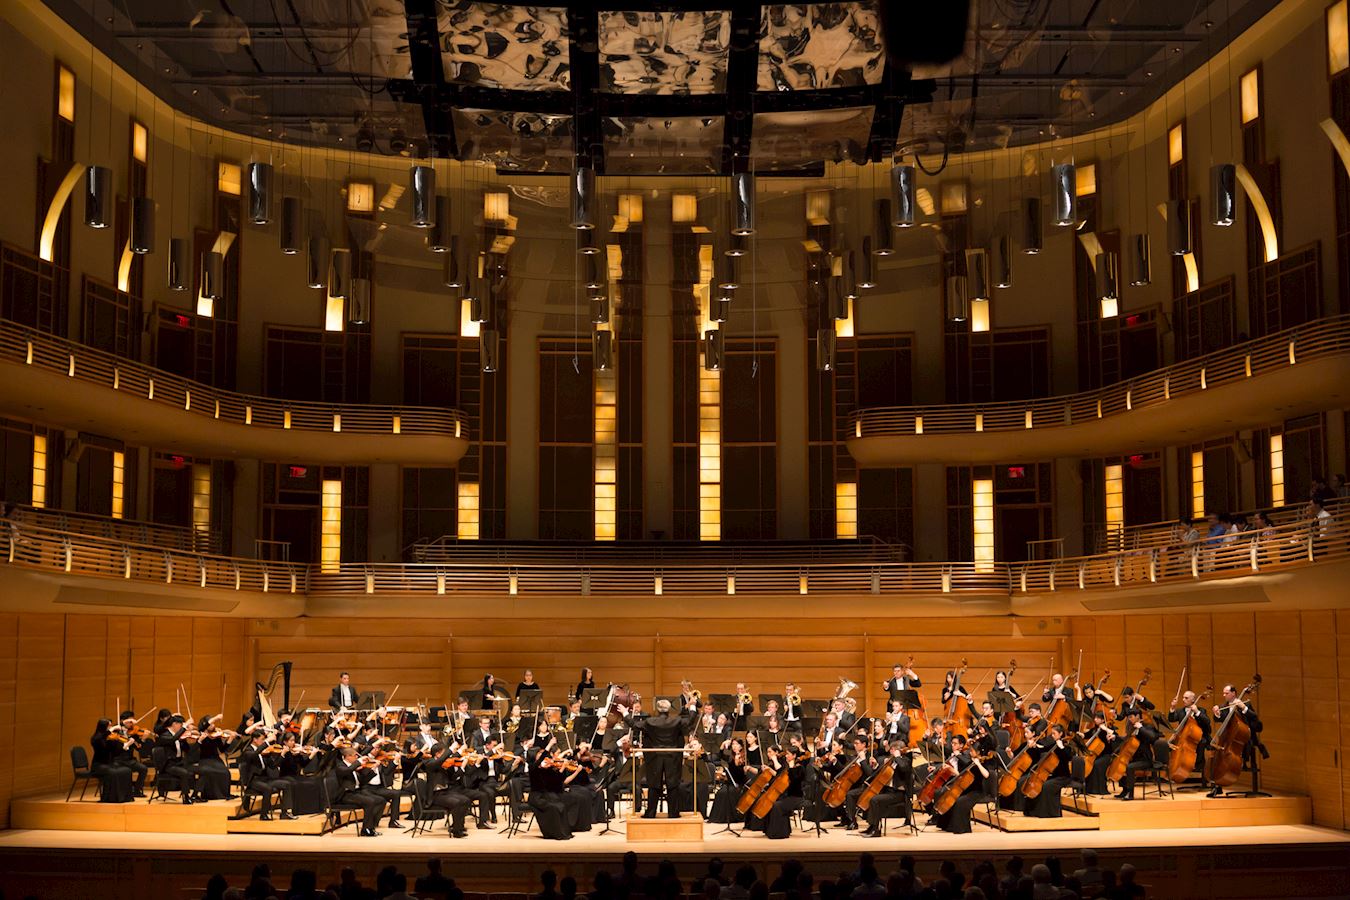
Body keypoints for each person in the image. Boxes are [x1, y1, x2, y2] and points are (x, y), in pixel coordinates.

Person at [621, 696, 695, 818]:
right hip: (672, 757)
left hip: (655, 758)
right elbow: (690, 721)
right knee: (673, 785)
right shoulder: (676, 720)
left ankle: (650, 813)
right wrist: (692, 706)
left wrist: (625, 712)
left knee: (654, 785)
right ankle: (673, 813)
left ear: (657, 709)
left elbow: (634, 725)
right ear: (669, 709)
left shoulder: (650, 721)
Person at [1208, 682, 1264, 797]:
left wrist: (1243, 708)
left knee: (1228, 758)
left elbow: (1255, 719)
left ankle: (1221, 781)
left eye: (1226, 693)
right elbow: (1219, 719)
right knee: (1215, 756)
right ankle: (1216, 786)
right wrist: (1217, 714)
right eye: (1223, 693)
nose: (1224, 695)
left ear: (1233, 693)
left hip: (1243, 739)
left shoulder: (1245, 704)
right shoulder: (1224, 706)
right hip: (1227, 739)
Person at [238, 731, 296, 820]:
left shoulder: (265, 752)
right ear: (255, 740)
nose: (263, 741)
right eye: (262, 739)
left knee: (286, 784)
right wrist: (267, 742)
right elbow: (255, 754)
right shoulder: (248, 751)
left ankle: (284, 813)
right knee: (267, 788)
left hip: (265, 779)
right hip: (253, 780)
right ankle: (263, 814)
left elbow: (273, 766)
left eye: (264, 740)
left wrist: (282, 754)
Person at [1115, 709, 1160, 801]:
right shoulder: (1133, 727)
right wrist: (1115, 737)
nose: (1129, 719)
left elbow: (1153, 737)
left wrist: (1141, 728)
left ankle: (1130, 794)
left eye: (1131, 717)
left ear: (1138, 716)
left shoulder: (1147, 726)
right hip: (1134, 758)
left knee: (1129, 767)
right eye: (1128, 717)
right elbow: (1126, 739)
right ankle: (1125, 790)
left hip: (1145, 759)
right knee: (1121, 764)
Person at [89, 718, 134, 803]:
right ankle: (111, 798)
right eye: (109, 726)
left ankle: (125, 797)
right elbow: (100, 741)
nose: (110, 727)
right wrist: (112, 729)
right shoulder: (96, 738)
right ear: (103, 726)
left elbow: (116, 752)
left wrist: (126, 745)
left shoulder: (110, 737)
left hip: (109, 764)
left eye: (111, 726)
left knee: (127, 770)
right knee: (113, 772)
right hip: (98, 765)